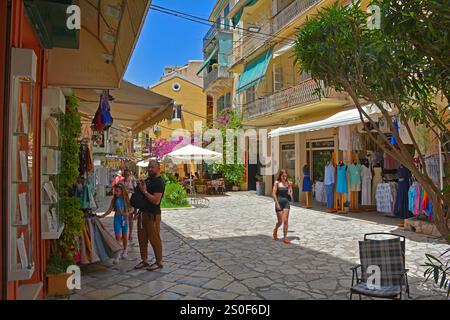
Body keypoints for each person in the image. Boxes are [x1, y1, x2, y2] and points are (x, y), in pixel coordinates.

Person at [134, 160, 166, 271]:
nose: (150, 169)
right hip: (143, 214)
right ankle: (145, 260)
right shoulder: (148, 180)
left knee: (154, 239)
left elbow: (156, 201)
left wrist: (145, 192)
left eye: (152, 167)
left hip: (153, 215)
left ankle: (159, 262)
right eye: (149, 167)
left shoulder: (159, 182)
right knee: (142, 239)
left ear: (158, 168)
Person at [99, 183, 132, 263]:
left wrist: (128, 213)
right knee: (117, 236)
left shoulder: (126, 199)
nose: (116, 193)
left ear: (121, 191)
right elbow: (110, 209)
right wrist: (103, 215)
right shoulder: (114, 199)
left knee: (124, 236)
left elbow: (131, 208)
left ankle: (125, 250)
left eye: (117, 191)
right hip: (117, 218)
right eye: (115, 191)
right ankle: (118, 254)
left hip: (125, 219)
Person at [272, 169, 293, 244]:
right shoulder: (277, 183)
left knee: (286, 220)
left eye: (285, 176)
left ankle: (285, 238)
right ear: (280, 176)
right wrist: (276, 203)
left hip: (286, 203)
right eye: (283, 176)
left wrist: (290, 187)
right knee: (280, 222)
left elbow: (290, 194)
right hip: (279, 203)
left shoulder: (288, 183)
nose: (284, 177)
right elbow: (273, 194)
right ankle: (275, 229)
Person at [122, 168, 137, 241]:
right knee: (123, 218)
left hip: (131, 203)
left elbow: (136, 191)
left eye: (128, 174)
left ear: (130, 175)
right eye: (125, 174)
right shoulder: (121, 182)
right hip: (122, 203)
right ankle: (124, 233)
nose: (126, 176)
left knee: (130, 218)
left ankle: (130, 234)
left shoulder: (133, 181)